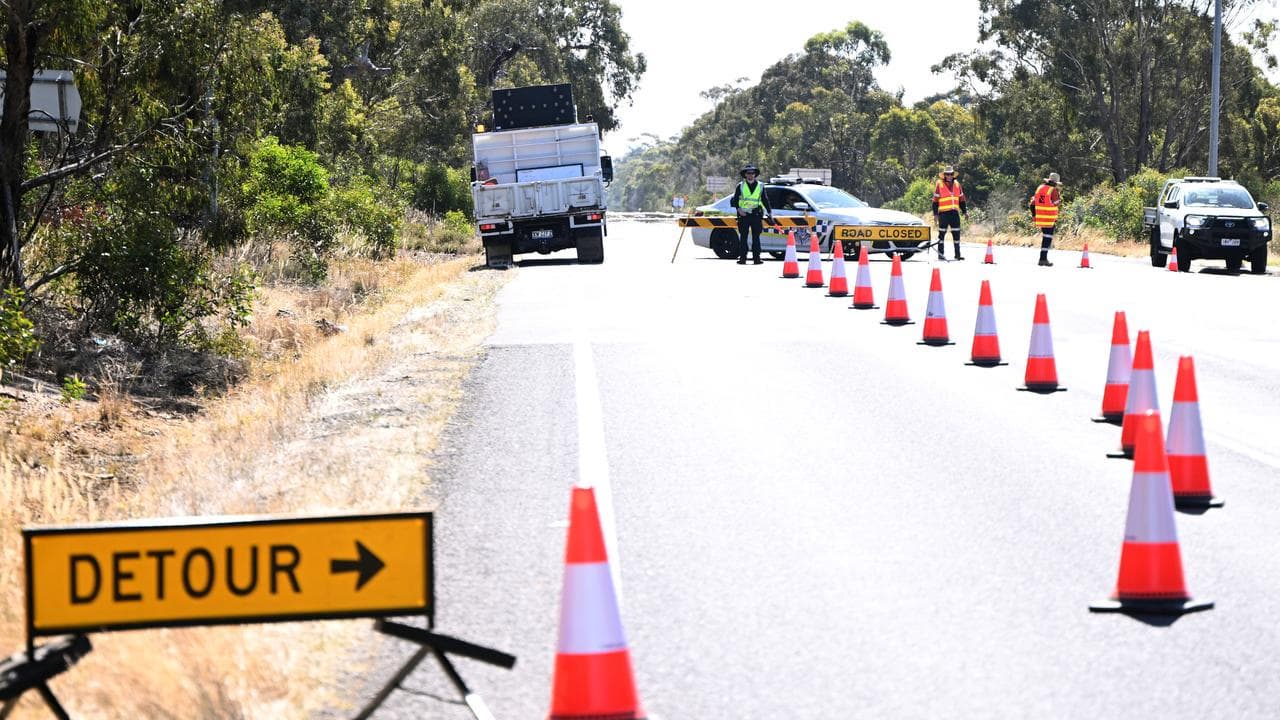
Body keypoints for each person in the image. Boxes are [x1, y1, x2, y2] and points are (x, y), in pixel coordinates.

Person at [730, 164, 772, 264]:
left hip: (756, 215)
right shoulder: (740, 186)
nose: (750, 175)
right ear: (745, 175)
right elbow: (734, 200)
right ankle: (742, 259)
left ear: (755, 174)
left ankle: (756, 259)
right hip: (743, 216)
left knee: (756, 238)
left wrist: (770, 212)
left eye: (752, 173)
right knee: (743, 238)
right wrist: (739, 209)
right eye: (748, 173)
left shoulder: (761, 186)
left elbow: (765, 200)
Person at [932, 166, 968, 260]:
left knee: (956, 234)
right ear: (944, 175)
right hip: (943, 214)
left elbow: (962, 200)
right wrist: (935, 215)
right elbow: (935, 201)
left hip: (954, 214)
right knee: (942, 235)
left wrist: (965, 212)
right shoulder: (939, 184)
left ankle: (957, 255)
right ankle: (941, 254)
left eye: (951, 174)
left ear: (953, 175)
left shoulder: (957, 184)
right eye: (947, 174)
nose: (949, 176)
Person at [1029, 172, 1063, 266]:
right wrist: (1060, 198)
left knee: (1046, 237)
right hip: (1049, 219)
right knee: (1047, 238)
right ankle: (1043, 259)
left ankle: (1043, 258)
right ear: (1056, 182)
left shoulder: (1040, 188)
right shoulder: (1053, 190)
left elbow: (1032, 204)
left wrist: (1034, 216)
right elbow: (1056, 203)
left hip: (1040, 218)